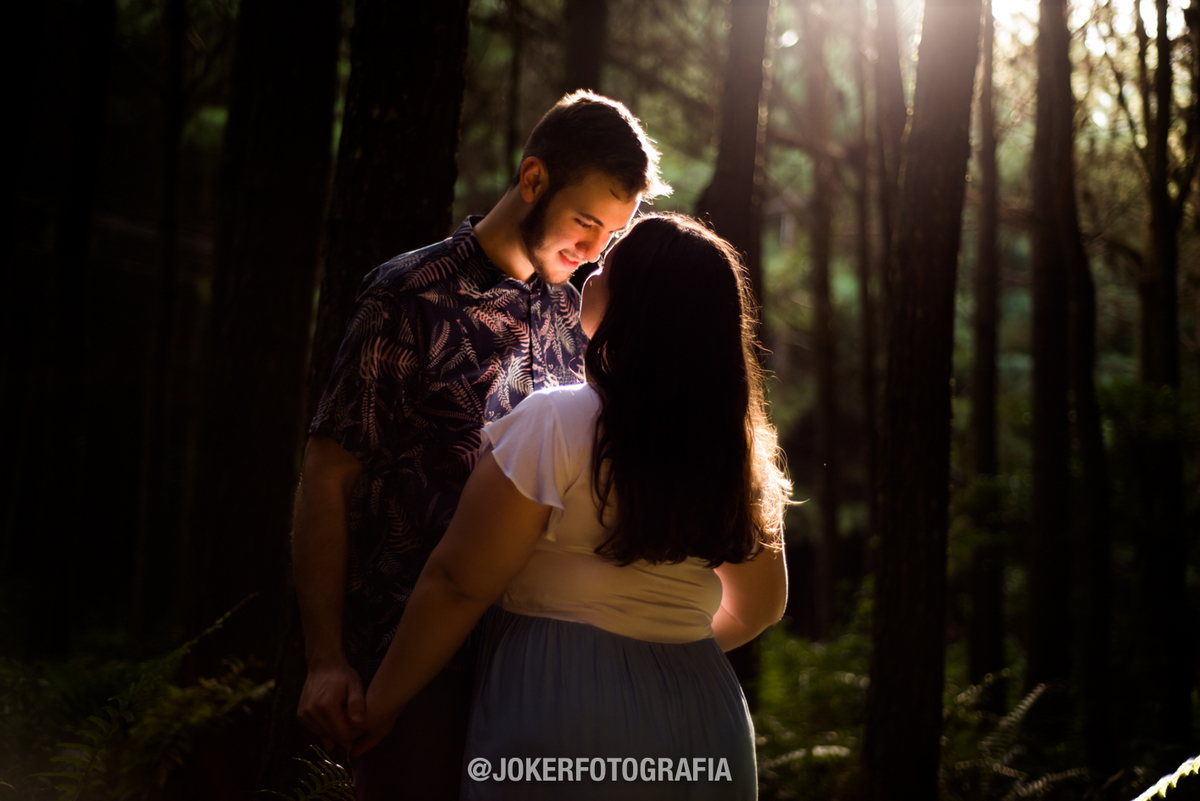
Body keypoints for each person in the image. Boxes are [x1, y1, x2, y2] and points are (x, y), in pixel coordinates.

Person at [292, 91, 671, 801]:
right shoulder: (407, 295)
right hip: (410, 658)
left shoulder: (575, 313)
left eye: (610, 238)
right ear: (533, 180)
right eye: (586, 222)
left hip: (532, 659)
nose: (592, 253)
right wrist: (326, 658)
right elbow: (327, 475)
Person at [351, 213, 792, 800]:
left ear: (636, 303)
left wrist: (380, 705)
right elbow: (762, 605)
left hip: (563, 719)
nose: (592, 266)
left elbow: (458, 581)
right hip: (706, 726)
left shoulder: (554, 422)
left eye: (611, 263)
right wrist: (656, 641)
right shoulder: (735, 455)